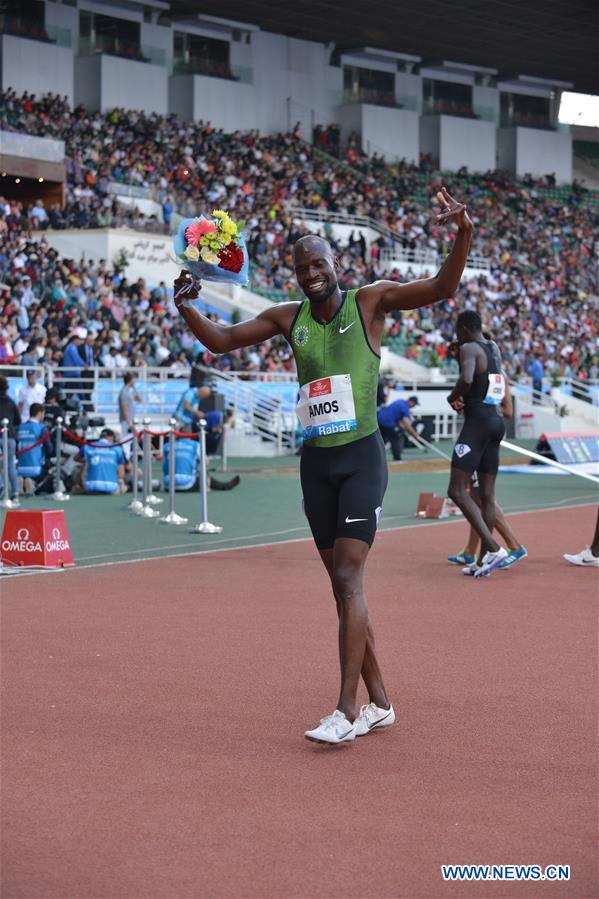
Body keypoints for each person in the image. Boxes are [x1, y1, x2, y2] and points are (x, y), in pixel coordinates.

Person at [174, 185, 473, 743]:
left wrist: (462, 233)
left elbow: (441, 286)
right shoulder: (290, 318)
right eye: (301, 267)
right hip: (316, 465)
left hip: (361, 459)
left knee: (347, 577)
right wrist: (187, 304)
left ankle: (346, 710)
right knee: (343, 589)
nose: (310, 273)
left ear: (335, 265)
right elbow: (220, 342)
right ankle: (381, 702)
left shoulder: (370, 302)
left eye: (318, 264)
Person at [445, 345, 527, 571]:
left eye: (455, 351)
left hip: (484, 437)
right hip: (477, 436)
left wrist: (483, 407)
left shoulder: (496, 376)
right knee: (476, 497)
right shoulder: (480, 372)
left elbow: (508, 411)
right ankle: (471, 553)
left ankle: (513, 545)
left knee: (481, 498)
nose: (455, 357)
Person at [446, 311, 509, 577]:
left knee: (457, 491)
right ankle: (483, 561)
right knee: (487, 496)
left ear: (462, 328)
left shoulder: (470, 348)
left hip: (478, 424)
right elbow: (491, 379)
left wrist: (453, 397)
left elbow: (469, 378)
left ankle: (493, 548)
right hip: (496, 422)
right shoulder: (493, 347)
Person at [76, 428, 126, 495]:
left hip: (90, 488)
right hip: (112, 489)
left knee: (84, 464)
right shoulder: (118, 449)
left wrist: (86, 461)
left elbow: (75, 458)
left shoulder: (88, 446)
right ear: (111, 437)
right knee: (123, 485)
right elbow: (121, 474)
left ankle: (81, 486)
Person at [16, 402, 52, 495]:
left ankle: (21, 481)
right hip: (36, 467)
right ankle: (32, 483)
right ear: (40, 413)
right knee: (50, 469)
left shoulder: (20, 427)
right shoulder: (41, 428)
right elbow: (49, 449)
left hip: (20, 467)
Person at [377, 395, 420, 461]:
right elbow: (406, 424)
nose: (414, 406)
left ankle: (376, 458)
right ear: (411, 402)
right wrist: (414, 434)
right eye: (414, 404)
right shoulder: (405, 407)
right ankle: (397, 459)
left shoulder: (400, 401)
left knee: (380, 440)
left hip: (379, 420)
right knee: (394, 439)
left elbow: (399, 418)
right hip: (388, 422)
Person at [0, 375, 21, 505]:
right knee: (10, 465)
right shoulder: (11, 401)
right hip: (10, 436)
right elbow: (18, 420)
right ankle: (15, 493)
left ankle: (2, 486)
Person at [118, 373, 142, 442]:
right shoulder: (124, 392)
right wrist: (127, 420)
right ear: (130, 380)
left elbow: (140, 400)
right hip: (126, 420)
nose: (134, 382)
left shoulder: (130, 391)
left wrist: (134, 388)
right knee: (125, 439)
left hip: (131, 419)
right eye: (133, 380)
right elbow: (124, 406)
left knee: (132, 439)